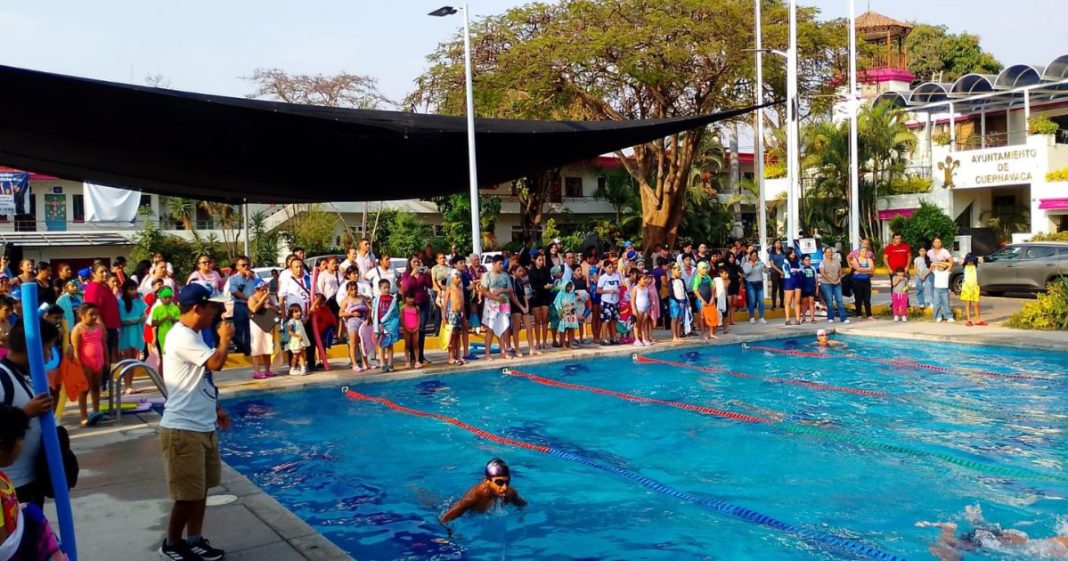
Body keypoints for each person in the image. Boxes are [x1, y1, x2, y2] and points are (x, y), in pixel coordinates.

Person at [157, 284, 232, 561]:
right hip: (183, 428)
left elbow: (201, 377)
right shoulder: (181, 337)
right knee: (186, 494)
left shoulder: (195, 335)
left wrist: (216, 407)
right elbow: (215, 364)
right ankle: (172, 543)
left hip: (202, 424)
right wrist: (224, 340)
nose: (216, 312)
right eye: (212, 307)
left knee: (200, 490)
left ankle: (195, 539)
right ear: (197, 308)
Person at [0, 320, 58, 507]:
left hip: (30, 479)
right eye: (48, 348)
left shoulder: (27, 376)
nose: (49, 357)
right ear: (32, 347)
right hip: (12, 485)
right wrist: (25, 413)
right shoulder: (3, 379)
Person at [0, 404, 69, 561]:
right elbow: (3, 544)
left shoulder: (2, 477)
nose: (22, 445)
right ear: (2, 445)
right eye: (21, 437)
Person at [918, 516, 1068, 561]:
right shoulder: (1061, 543)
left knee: (953, 548)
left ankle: (949, 529)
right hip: (1001, 542)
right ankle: (948, 529)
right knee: (952, 549)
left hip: (1001, 542)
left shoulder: (1061, 542)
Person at [440, 458, 527, 526]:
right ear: (486, 480)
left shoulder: (510, 493)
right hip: (462, 511)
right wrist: (450, 535)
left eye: (507, 482)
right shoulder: (474, 497)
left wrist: (521, 519)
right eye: (499, 482)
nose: (504, 487)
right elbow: (444, 519)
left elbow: (523, 505)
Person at [70, 303, 107, 426]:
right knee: (85, 389)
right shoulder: (78, 329)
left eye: (96, 314)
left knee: (96, 387)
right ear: (82, 315)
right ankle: (84, 416)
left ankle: (96, 411)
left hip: (99, 361)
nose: (94, 317)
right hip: (86, 362)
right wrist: (78, 365)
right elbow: (76, 348)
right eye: (91, 314)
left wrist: (107, 359)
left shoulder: (100, 327)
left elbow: (104, 344)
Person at [82, 263, 120, 377]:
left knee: (109, 355)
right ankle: (100, 385)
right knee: (103, 356)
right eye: (101, 272)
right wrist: (101, 327)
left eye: (106, 271)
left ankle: (105, 382)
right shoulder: (93, 287)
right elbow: (92, 310)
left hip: (112, 326)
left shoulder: (105, 286)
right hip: (103, 327)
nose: (105, 274)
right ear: (93, 274)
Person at [399, 255, 433, 364]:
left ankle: (420, 356)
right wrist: (412, 275)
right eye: (414, 262)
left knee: (421, 328)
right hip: (411, 305)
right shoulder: (405, 274)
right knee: (412, 329)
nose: (417, 264)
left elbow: (430, 285)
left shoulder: (422, 274)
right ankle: (412, 356)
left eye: (418, 262)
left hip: (422, 303)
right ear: (409, 263)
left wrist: (428, 274)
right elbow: (405, 287)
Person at [117, 279, 147, 394]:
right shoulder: (121, 302)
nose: (134, 291)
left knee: (134, 359)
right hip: (127, 333)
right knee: (127, 360)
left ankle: (131, 384)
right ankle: (126, 385)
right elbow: (122, 320)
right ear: (125, 290)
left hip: (137, 332)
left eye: (135, 288)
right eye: (131, 289)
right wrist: (134, 320)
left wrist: (141, 319)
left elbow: (143, 314)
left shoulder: (138, 300)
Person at [481, 256, 512, 360]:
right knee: (490, 328)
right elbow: (484, 290)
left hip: (504, 302)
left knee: (502, 327)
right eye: (500, 264)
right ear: (493, 263)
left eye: (503, 264)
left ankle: (503, 351)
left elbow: (510, 289)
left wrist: (501, 291)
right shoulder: (487, 275)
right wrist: (495, 297)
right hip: (492, 304)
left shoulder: (505, 275)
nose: (502, 266)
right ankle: (487, 353)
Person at [247, 278, 277, 379]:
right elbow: (254, 309)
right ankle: (256, 371)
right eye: (262, 289)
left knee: (267, 347)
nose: (264, 291)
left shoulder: (268, 298)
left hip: (266, 324)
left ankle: (268, 370)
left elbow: (276, 308)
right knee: (256, 348)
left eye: (265, 289)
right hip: (256, 324)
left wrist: (271, 307)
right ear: (257, 289)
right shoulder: (252, 298)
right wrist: (263, 300)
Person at [227, 256, 256, 357]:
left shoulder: (253, 277)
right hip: (240, 305)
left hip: (252, 307)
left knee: (250, 328)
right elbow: (235, 292)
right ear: (237, 267)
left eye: (248, 264)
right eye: (243, 265)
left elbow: (261, 288)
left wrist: (252, 278)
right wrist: (249, 299)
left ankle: (248, 347)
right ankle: (240, 347)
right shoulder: (233, 279)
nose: (246, 267)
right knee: (239, 328)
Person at [372, 279, 399, 373]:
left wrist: (394, 325)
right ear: (380, 288)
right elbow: (374, 314)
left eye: (388, 287)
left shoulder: (393, 300)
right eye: (384, 287)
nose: (387, 289)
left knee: (390, 345)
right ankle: (383, 364)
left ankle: (390, 363)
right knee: (381, 345)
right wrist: (378, 325)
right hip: (380, 325)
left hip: (391, 325)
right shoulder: (376, 300)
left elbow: (396, 314)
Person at [509, 265, 535, 357]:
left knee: (529, 327)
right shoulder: (510, 280)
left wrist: (527, 306)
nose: (521, 273)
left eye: (522, 271)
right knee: (517, 329)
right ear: (513, 271)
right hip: (515, 306)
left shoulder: (520, 281)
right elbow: (512, 296)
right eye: (519, 271)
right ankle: (517, 350)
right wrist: (521, 307)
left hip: (523, 306)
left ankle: (532, 348)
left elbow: (524, 295)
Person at [818, 247, 849, 324]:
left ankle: (843, 318)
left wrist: (839, 278)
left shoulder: (837, 261)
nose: (829, 253)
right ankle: (830, 317)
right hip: (826, 284)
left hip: (837, 283)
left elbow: (840, 270)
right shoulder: (822, 262)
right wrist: (831, 281)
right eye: (828, 252)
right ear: (825, 254)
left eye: (830, 252)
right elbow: (823, 273)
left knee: (840, 300)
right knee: (829, 301)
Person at [528, 254, 552, 352]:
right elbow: (532, 285)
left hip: (545, 296)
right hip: (536, 296)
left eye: (542, 260)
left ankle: (545, 341)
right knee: (537, 320)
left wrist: (549, 285)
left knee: (545, 319)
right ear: (535, 261)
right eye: (539, 260)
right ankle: (537, 341)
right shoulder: (531, 271)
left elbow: (550, 281)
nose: (541, 262)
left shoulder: (546, 270)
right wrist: (543, 287)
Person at [596, 260, 623, 345]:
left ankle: (614, 338)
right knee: (605, 320)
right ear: (604, 268)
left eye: (612, 267)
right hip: (606, 301)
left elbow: (619, 286)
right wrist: (609, 291)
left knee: (614, 320)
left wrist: (618, 291)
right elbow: (598, 290)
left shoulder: (616, 276)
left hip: (615, 301)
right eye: (609, 267)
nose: (611, 269)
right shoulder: (603, 278)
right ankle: (603, 338)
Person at [442, 271, 466, 366]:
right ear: (452, 278)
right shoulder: (450, 288)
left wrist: (465, 316)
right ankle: (451, 357)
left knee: (458, 336)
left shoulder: (460, 288)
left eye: (460, 278)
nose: (459, 279)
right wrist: (444, 317)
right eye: (457, 278)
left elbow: (462, 303)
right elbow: (445, 303)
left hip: (460, 314)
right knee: (451, 336)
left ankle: (458, 356)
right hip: (452, 314)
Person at [928, 237, 955, 323]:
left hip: (944, 290)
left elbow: (951, 263)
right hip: (937, 289)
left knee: (946, 303)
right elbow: (931, 265)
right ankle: (938, 316)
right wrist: (937, 264)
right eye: (935, 242)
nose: (937, 243)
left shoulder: (946, 272)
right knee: (937, 303)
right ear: (933, 243)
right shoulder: (936, 272)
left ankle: (948, 316)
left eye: (939, 242)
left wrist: (942, 263)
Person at [848, 239, 876, 320]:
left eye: (866, 252)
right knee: (858, 298)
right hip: (857, 281)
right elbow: (858, 268)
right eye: (863, 251)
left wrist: (861, 271)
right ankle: (859, 315)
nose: (865, 253)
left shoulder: (869, 259)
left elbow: (871, 269)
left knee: (867, 298)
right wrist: (866, 270)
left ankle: (869, 315)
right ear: (859, 252)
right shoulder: (855, 259)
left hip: (866, 281)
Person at [151, 288, 181, 359]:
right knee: (164, 354)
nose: (168, 299)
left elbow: (180, 323)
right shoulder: (157, 309)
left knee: (173, 353)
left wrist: (172, 319)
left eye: (170, 297)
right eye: (165, 297)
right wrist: (164, 319)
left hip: (174, 334)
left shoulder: (175, 308)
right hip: (162, 335)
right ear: (160, 298)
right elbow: (153, 324)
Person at [283, 305, 311, 376]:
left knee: (302, 354)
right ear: (291, 313)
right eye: (296, 312)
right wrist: (297, 336)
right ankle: (293, 369)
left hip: (301, 341)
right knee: (295, 356)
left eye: (299, 311)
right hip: (295, 341)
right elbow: (290, 332)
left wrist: (308, 316)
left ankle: (302, 367)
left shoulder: (299, 320)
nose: (298, 313)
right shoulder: (291, 322)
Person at [960, 253, 987, 327]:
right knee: (968, 303)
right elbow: (960, 261)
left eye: (971, 260)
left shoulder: (975, 265)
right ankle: (969, 320)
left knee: (976, 304)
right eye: (969, 260)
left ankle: (978, 319)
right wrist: (966, 259)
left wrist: (977, 258)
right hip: (967, 286)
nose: (970, 262)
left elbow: (982, 259)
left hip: (974, 286)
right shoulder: (964, 265)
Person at [691, 261, 716, 339]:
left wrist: (712, 297)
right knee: (702, 317)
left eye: (706, 268)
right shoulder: (697, 277)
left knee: (711, 315)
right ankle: (703, 334)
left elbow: (712, 287)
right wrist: (701, 300)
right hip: (701, 300)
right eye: (704, 268)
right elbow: (695, 290)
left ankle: (711, 333)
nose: (705, 270)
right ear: (699, 269)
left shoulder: (707, 277)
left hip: (709, 299)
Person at [741, 251, 767, 324]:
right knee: (752, 301)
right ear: (750, 256)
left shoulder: (760, 263)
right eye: (752, 255)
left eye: (755, 256)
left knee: (761, 301)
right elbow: (746, 272)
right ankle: (751, 317)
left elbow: (766, 271)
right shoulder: (746, 264)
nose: (754, 257)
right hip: (750, 283)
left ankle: (761, 317)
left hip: (759, 283)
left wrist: (765, 268)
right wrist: (752, 266)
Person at [399, 292, 422, 369]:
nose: (411, 300)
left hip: (415, 329)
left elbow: (419, 319)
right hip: (407, 329)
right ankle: (407, 361)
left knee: (416, 345)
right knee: (407, 345)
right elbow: (402, 320)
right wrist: (406, 328)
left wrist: (417, 327)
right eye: (409, 298)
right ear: (405, 298)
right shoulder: (403, 308)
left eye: (412, 298)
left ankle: (417, 361)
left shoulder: (416, 308)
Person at [782, 248, 801, 325]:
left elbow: (801, 269)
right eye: (792, 252)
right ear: (788, 253)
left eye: (794, 252)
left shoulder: (798, 262)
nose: (793, 253)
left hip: (797, 282)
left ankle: (797, 319)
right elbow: (787, 271)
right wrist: (796, 270)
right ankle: (787, 319)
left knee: (797, 301)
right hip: (789, 282)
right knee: (788, 301)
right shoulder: (785, 263)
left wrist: (796, 270)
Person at [798, 255, 818, 324]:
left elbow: (816, 279)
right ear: (803, 261)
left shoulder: (813, 268)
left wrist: (817, 288)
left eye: (809, 259)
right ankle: (803, 318)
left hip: (811, 288)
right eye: (806, 260)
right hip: (804, 288)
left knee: (811, 303)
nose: (808, 261)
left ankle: (812, 318)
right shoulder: (801, 269)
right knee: (803, 303)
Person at [913, 246, 932, 310]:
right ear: (919, 252)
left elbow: (930, 268)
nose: (922, 252)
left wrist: (925, 275)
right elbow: (915, 268)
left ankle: (929, 302)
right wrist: (920, 275)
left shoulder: (929, 259)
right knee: (919, 289)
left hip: (927, 275)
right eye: (921, 250)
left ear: (926, 251)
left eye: (924, 251)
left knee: (928, 288)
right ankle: (921, 303)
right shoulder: (916, 259)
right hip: (918, 275)